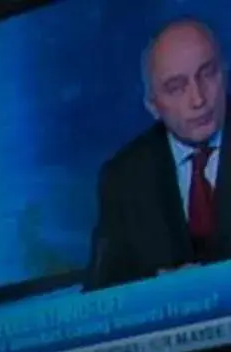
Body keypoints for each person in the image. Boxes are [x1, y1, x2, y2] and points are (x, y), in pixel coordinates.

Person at [88, 16, 226, 289]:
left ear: (224, 71)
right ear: (152, 105)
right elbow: (103, 290)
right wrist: (159, 291)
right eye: (176, 87)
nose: (198, 99)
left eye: (207, 74)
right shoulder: (123, 179)